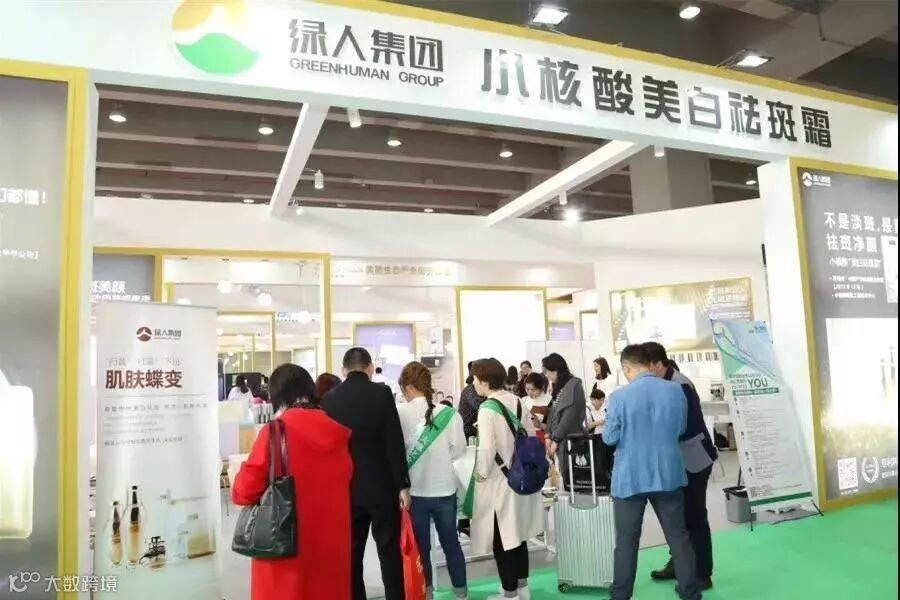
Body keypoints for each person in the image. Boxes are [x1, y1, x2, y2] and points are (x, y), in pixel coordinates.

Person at [232, 364, 352, 600]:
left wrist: (240, 471)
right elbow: (347, 476)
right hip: (332, 548)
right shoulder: (337, 433)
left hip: (286, 550)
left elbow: (244, 491)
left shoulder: (276, 432)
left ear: (277, 395)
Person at [604, 345, 701, 600]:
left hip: (630, 477)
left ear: (627, 367)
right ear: (649, 363)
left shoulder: (619, 397)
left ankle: (620, 595)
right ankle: (691, 592)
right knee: (678, 537)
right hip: (668, 473)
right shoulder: (675, 390)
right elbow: (680, 428)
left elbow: (609, 437)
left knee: (626, 542)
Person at [322, 348, 411, 600]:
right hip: (382, 487)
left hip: (347, 488)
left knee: (352, 555)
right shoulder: (382, 393)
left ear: (344, 370)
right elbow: (393, 441)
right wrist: (402, 484)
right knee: (389, 552)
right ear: (370, 368)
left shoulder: (329, 400)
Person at [643, 342, 718, 591]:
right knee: (677, 519)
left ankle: (702, 574)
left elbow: (687, 427)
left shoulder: (680, 386)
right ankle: (679, 563)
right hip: (676, 462)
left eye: (645, 368)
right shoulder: (663, 384)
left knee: (695, 518)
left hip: (694, 461)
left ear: (658, 365)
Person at [470, 358, 542, 600]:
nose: (474, 383)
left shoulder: (487, 408)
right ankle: (522, 587)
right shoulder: (517, 400)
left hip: (499, 481)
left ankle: (509, 593)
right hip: (522, 476)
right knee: (518, 534)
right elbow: (530, 435)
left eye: (475, 379)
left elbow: (486, 449)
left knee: (502, 538)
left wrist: (480, 474)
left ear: (485, 381)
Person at [396, 362, 468, 600]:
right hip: (445, 489)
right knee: (451, 544)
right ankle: (461, 593)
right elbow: (459, 451)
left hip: (414, 493)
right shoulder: (450, 414)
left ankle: (425, 593)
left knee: (421, 548)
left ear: (408, 387)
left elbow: (395, 452)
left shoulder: (400, 413)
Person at [542, 353, 587, 465]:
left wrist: (556, 439)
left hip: (569, 441)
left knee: (569, 472)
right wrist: (548, 435)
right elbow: (553, 412)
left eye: (547, 371)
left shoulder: (574, 385)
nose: (546, 375)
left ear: (555, 370)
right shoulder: (560, 387)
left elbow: (569, 416)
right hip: (559, 440)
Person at [459, 362, 485, 440]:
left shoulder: (473, 388)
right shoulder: (470, 389)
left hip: (473, 429)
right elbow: (479, 406)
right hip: (469, 431)